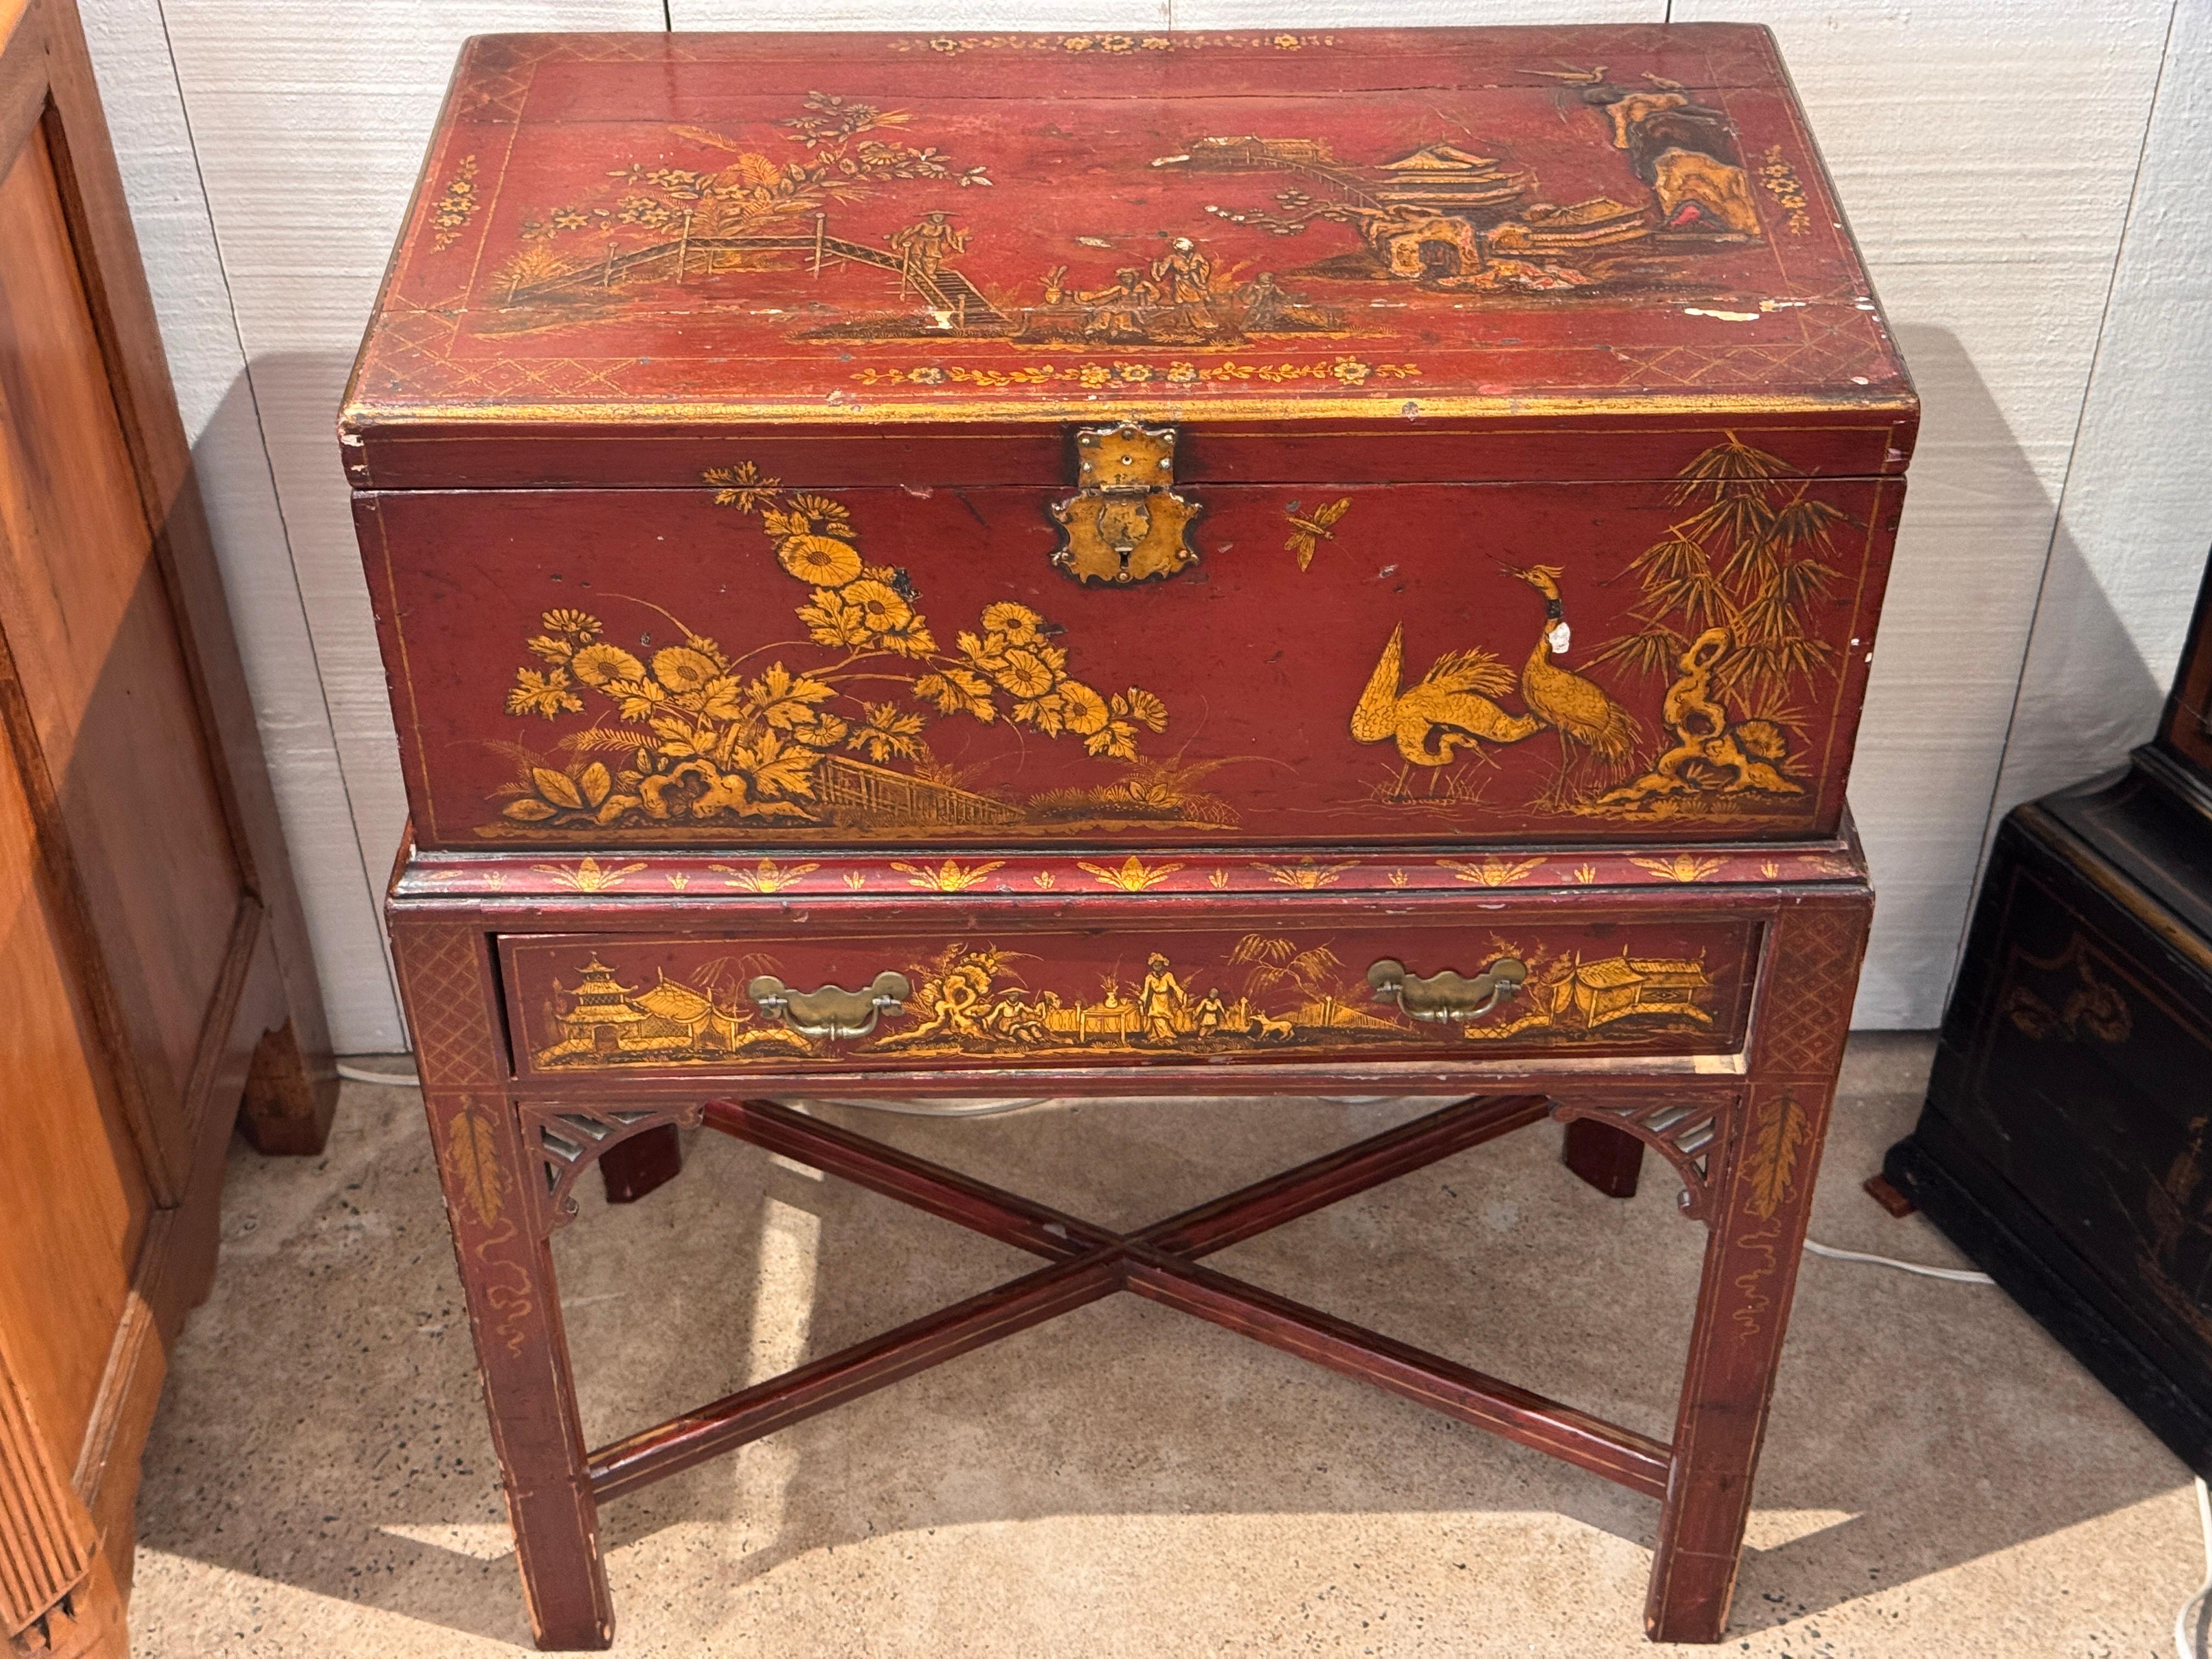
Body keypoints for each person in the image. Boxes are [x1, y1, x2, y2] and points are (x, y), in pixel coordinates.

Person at [1136, 952, 1188, 1043]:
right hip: (1155, 1000)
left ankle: (1165, 1037)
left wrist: (1182, 997)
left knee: (1165, 1017)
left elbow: (1175, 987)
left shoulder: (1168, 976)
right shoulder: (1149, 977)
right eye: (1155, 965)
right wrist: (1141, 1000)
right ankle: (1159, 1036)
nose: (1157, 967)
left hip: (1165, 999)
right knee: (1156, 1017)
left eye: (1159, 965)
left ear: (1162, 965)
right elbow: (1146, 991)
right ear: (1152, 966)